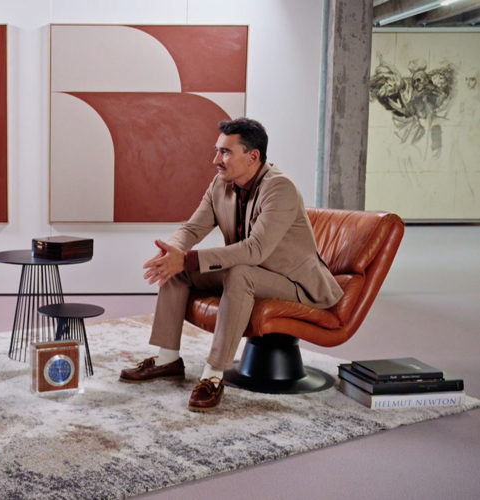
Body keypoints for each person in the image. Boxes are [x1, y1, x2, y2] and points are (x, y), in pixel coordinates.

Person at [119, 117, 342, 412]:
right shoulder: (221, 184)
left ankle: (213, 375)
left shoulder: (281, 188)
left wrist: (189, 258)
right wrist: (172, 251)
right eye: (217, 151)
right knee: (179, 269)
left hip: (294, 283)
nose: (216, 160)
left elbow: (255, 250)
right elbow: (192, 228)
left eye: (225, 152)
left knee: (239, 274)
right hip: (251, 271)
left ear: (253, 156)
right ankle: (167, 359)